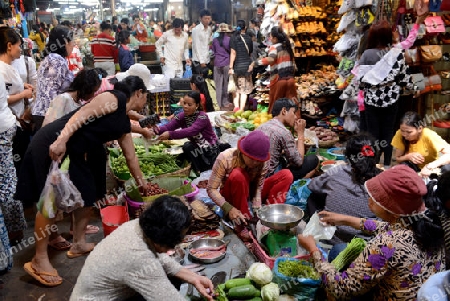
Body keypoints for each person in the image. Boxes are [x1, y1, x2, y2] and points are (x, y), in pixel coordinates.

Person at [18, 76, 152, 287]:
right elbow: (81, 115)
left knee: (88, 193)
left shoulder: (123, 122)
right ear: (139, 93)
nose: (145, 102)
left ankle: (78, 243)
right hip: (53, 144)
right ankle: (38, 259)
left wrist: (142, 182)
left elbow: (131, 157)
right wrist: (61, 140)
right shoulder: (113, 98)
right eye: (146, 97)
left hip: (74, 152)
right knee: (50, 203)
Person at [298, 165, 445, 300]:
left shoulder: (387, 244)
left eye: (376, 199)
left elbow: (341, 289)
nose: (369, 200)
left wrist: (313, 249)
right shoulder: (426, 221)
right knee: (339, 250)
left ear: (392, 210)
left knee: (330, 287)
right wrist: (345, 219)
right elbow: (385, 227)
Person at [70, 195, 214, 300]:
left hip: (107, 292)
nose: (174, 247)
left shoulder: (140, 226)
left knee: (174, 278)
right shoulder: (137, 256)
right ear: (160, 241)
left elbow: (160, 257)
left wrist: (194, 278)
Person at [207, 131, 294, 238]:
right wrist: (229, 208)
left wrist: (257, 208)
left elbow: (258, 187)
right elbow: (211, 189)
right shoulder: (225, 158)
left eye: (258, 160)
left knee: (286, 175)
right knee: (238, 175)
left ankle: (269, 218)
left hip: (249, 192)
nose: (256, 163)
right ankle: (242, 223)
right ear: (243, 152)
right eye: (252, 160)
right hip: (232, 194)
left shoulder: (263, 161)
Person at [358, 21, 418, 169]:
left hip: (371, 100)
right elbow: (405, 78)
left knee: (373, 134)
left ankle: (373, 164)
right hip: (391, 99)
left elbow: (360, 81)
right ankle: (386, 165)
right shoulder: (396, 54)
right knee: (389, 132)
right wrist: (415, 88)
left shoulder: (367, 54)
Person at [307, 133, 381, 244]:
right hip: (364, 242)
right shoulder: (384, 180)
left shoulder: (338, 170)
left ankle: (321, 226)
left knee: (312, 197)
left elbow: (312, 186)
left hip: (332, 238)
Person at [0, 28, 30, 243]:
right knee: (10, 181)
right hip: (9, 127)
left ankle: (15, 228)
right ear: (9, 45)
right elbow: (6, 100)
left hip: (10, 126)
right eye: (18, 44)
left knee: (10, 178)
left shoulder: (7, 68)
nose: (21, 48)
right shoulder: (1, 69)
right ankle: (15, 229)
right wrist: (24, 94)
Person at [154, 91, 219, 173]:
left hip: (209, 149)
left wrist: (170, 134)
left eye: (189, 105)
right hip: (197, 147)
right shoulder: (182, 116)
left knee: (187, 147)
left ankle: (200, 169)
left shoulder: (202, 117)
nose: (185, 106)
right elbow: (168, 126)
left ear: (197, 105)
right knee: (183, 152)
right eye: (184, 103)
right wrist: (154, 130)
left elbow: (191, 131)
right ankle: (197, 167)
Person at [258, 98, 318, 181]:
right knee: (313, 159)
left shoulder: (262, 126)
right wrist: (300, 133)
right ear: (284, 111)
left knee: (284, 158)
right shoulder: (284, 131)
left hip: (258, 174)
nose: (296, 117)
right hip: (270, 177)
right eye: (293, 112)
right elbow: (299, 162)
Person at [32, 25, 74, 133]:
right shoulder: (57, 60)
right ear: (65, 41)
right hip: (49, 115)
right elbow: (50, 92)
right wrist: (54, 119)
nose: (73, 44)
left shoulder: (53, 58)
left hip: (45, 113)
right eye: (71, 41)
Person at [392, 111, 450, 177]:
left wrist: (430, 166)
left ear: (419, 128)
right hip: (414, 167)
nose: (405, 134)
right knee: (401, 168)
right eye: (402, 131)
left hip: (433, 169)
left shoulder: (428, 134)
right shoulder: (399, 134)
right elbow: (398, 159)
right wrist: (408, 156)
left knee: (447, 168)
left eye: (409, 132)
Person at [255, 26, 296, 114]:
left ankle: (274, 126)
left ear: (275, 38)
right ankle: (294, 125)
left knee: (275, 106)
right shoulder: (288, 47)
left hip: (278, 80)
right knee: (292, 105)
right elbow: (294, 65)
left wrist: (256, 62)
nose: (269, 38)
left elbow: (271, 59)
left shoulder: (274, 47)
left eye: (270, 36)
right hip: (290, 80)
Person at [0, 73, 17, 272]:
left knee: (7, 187)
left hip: (4, 129)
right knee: (8, 186)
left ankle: (15, 232)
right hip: (6, 126)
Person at [228, 20, 253, 111]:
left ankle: (236, 107)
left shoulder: (234, 38)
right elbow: (250, 53)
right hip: (246, 68)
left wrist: (230, 67)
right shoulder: (248, 38)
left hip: (236, 67)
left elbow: (233, 53)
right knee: (244, 90)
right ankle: (242, 109)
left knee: (236, 88)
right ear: (245, 28)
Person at [212, 23, 233, 110]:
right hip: (226, 63)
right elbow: (232, 51)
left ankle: (218, 103)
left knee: (218, 84)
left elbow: (213, 51)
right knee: (226, 84)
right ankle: (225, 102)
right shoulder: (229, 40)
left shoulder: (214, 40)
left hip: (217, 63)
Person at [191, 9, 212, 75]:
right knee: (199, 82)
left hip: (207, 59)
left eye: (209, 19)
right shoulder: (196, 30)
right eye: (205, 18)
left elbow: (209, 43)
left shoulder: (209, 29)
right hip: (198, 61)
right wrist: (201, 61)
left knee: (207, 82)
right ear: (200, 18)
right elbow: (196, 46)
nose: (207, 21)